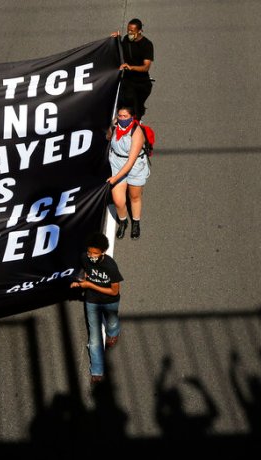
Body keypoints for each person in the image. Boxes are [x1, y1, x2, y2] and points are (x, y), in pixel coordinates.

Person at [70, 232, 123, 385]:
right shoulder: (84, 258)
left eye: (95, 253)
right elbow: (86, 273)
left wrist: (90, 285)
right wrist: (80, 283)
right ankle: (97, 370)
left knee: (112, 321)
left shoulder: (110, 266)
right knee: (94, 337)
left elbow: (114, 291)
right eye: (89, 252)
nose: (91, 255)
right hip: (91, 301)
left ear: (103, 252)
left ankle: (113, 333)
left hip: (110, 301)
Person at [107, 107, 149, 240]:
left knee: (134, 197)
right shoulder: (115, 127)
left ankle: (136, 223)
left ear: (132, 117)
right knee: (118, 201)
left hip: (135, 166)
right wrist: (111, 126)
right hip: (117, 162)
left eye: (125, 116)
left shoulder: (137, 132)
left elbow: (130, 162)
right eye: (120, 116)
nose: (122, 119)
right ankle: (123, 221)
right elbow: (108, 137)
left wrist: (115, 179)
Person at [112, 18, 154, 120]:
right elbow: (120, 50)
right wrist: (116, 39)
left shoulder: (147, 45)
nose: (129, 33)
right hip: (127, 81)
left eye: (132, 31)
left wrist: (131, 67)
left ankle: (136, 125)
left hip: (141, 83)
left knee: (136, 110)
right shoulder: (126, 39)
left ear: (139, 31)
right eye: (128, 30)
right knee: (124, 105)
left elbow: (146, 67)